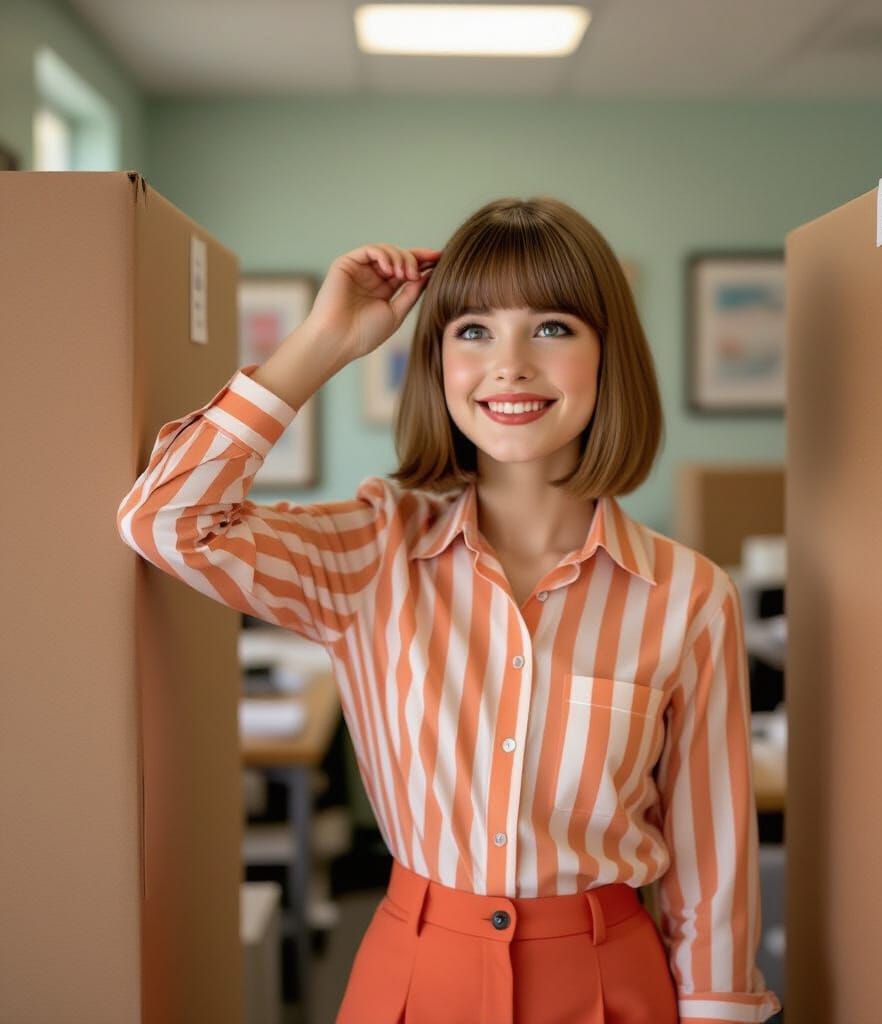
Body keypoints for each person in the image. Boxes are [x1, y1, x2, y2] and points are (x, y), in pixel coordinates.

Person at [115, 196, 782, 1024]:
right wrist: (322, 345)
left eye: (552, 328)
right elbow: (166, 522)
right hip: (412, 975)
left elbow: (710, 861)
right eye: (472, 331)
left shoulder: (690, 595)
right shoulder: (371, 549)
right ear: (434, 363)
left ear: (609, 355)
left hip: (611, 986)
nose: (510, 366)